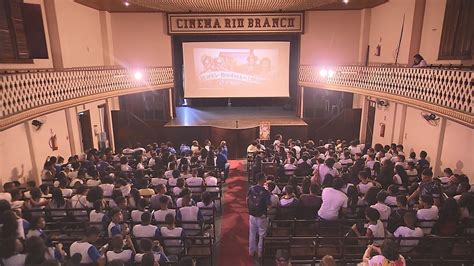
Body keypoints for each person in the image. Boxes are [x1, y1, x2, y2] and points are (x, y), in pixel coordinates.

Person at [247, 173, 271, 258]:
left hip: (252, 214)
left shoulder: (251, 188)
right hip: (261, 216)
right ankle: (260, 252)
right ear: (262, 179)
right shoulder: (265, 191)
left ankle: (251, 251)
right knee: (262, 234)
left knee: (252, 233)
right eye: (265, 177)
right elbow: (269, 205)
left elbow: (247, 199)